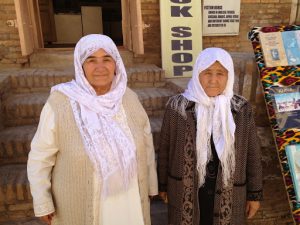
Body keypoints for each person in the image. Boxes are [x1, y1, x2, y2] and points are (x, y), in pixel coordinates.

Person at [27, 34, 158, 225]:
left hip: (129, 201)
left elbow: (146, 145)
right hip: (85, 202)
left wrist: (150, 186)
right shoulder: (60, 103)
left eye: (107, 59)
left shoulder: (128, 98)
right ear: (80, 66)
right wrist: (42, 201)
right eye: (91, 60)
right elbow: (40, 156)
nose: (100, 67)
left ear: (116, 64)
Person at [158, 47, 262, 225]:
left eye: (220, 73)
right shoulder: (177, 107)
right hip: (185, 191)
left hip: (229, 193)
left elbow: (252, 154)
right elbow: (165, 148)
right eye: (207, 72)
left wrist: (254, 194)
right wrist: (163, 185)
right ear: (197, 73)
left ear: (228, 76)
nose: (213, 80)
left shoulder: (241, 109)